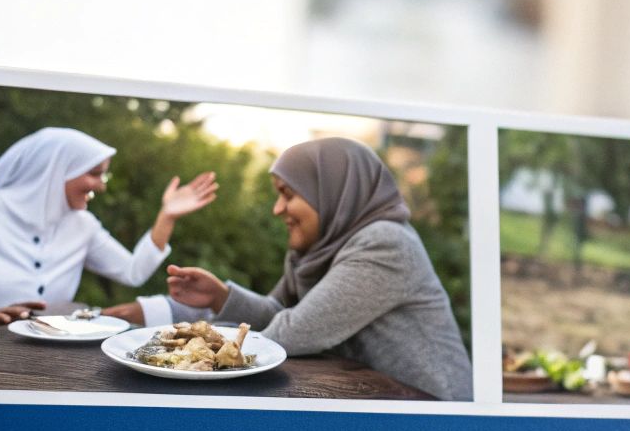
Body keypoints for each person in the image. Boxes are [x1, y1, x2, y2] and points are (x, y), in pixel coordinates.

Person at [119, 137, 473, 402]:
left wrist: (185, 352)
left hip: (435, 414)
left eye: (288, 194)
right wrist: (222, 296)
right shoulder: (316, 248)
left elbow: (292, 333)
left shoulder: (386, 244)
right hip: (376, 398)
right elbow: (280, 314)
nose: (277, 209)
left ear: (331, 191)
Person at [0, 127, 217, 348]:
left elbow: (132, 273)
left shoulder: (82, 224)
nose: (102, 185)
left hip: (32, 360)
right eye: (94, 173)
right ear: (55, 169)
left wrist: (167, 216)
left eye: (104, 174)